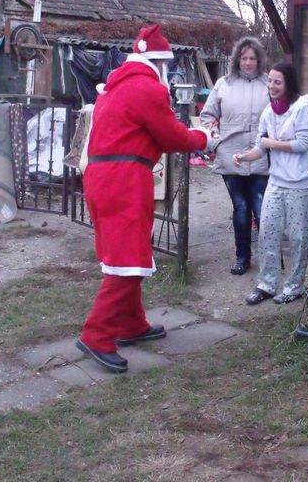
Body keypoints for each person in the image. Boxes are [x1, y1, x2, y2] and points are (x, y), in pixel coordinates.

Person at [76, 24, 211, 373]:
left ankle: (130, 323)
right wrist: (203, 137)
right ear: (160, 62)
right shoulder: (147, 89)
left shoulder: (116, 87)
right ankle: (96, 334)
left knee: (127, 253)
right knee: (128, 259)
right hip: (124, 179)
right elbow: (172, 137)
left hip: (102, 177)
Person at [233, 62, 308, 305]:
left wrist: (272, 144)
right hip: (276, 181)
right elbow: (261, 147)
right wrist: (243, 157)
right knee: (267, 231)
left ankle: (294, 287)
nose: (272, 86)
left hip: (300, 183)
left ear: (289, 84)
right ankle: (266, 284)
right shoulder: (268, 111)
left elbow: (302, 144)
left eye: (278, 82)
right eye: (270, 81)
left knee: (298, 237)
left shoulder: (302, 107)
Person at [200, 37, 270, 275]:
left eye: (252, 58)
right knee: (240, 208)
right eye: (244, 58)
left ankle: (268, 260)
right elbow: (207, 116)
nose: (248, 62)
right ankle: (242, 257)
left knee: (261, 209)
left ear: (259, 60)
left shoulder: (268, 84)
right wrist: (217, 143)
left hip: (261, 157)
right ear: (237, 59)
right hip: (231, 156)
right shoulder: (223, 84)